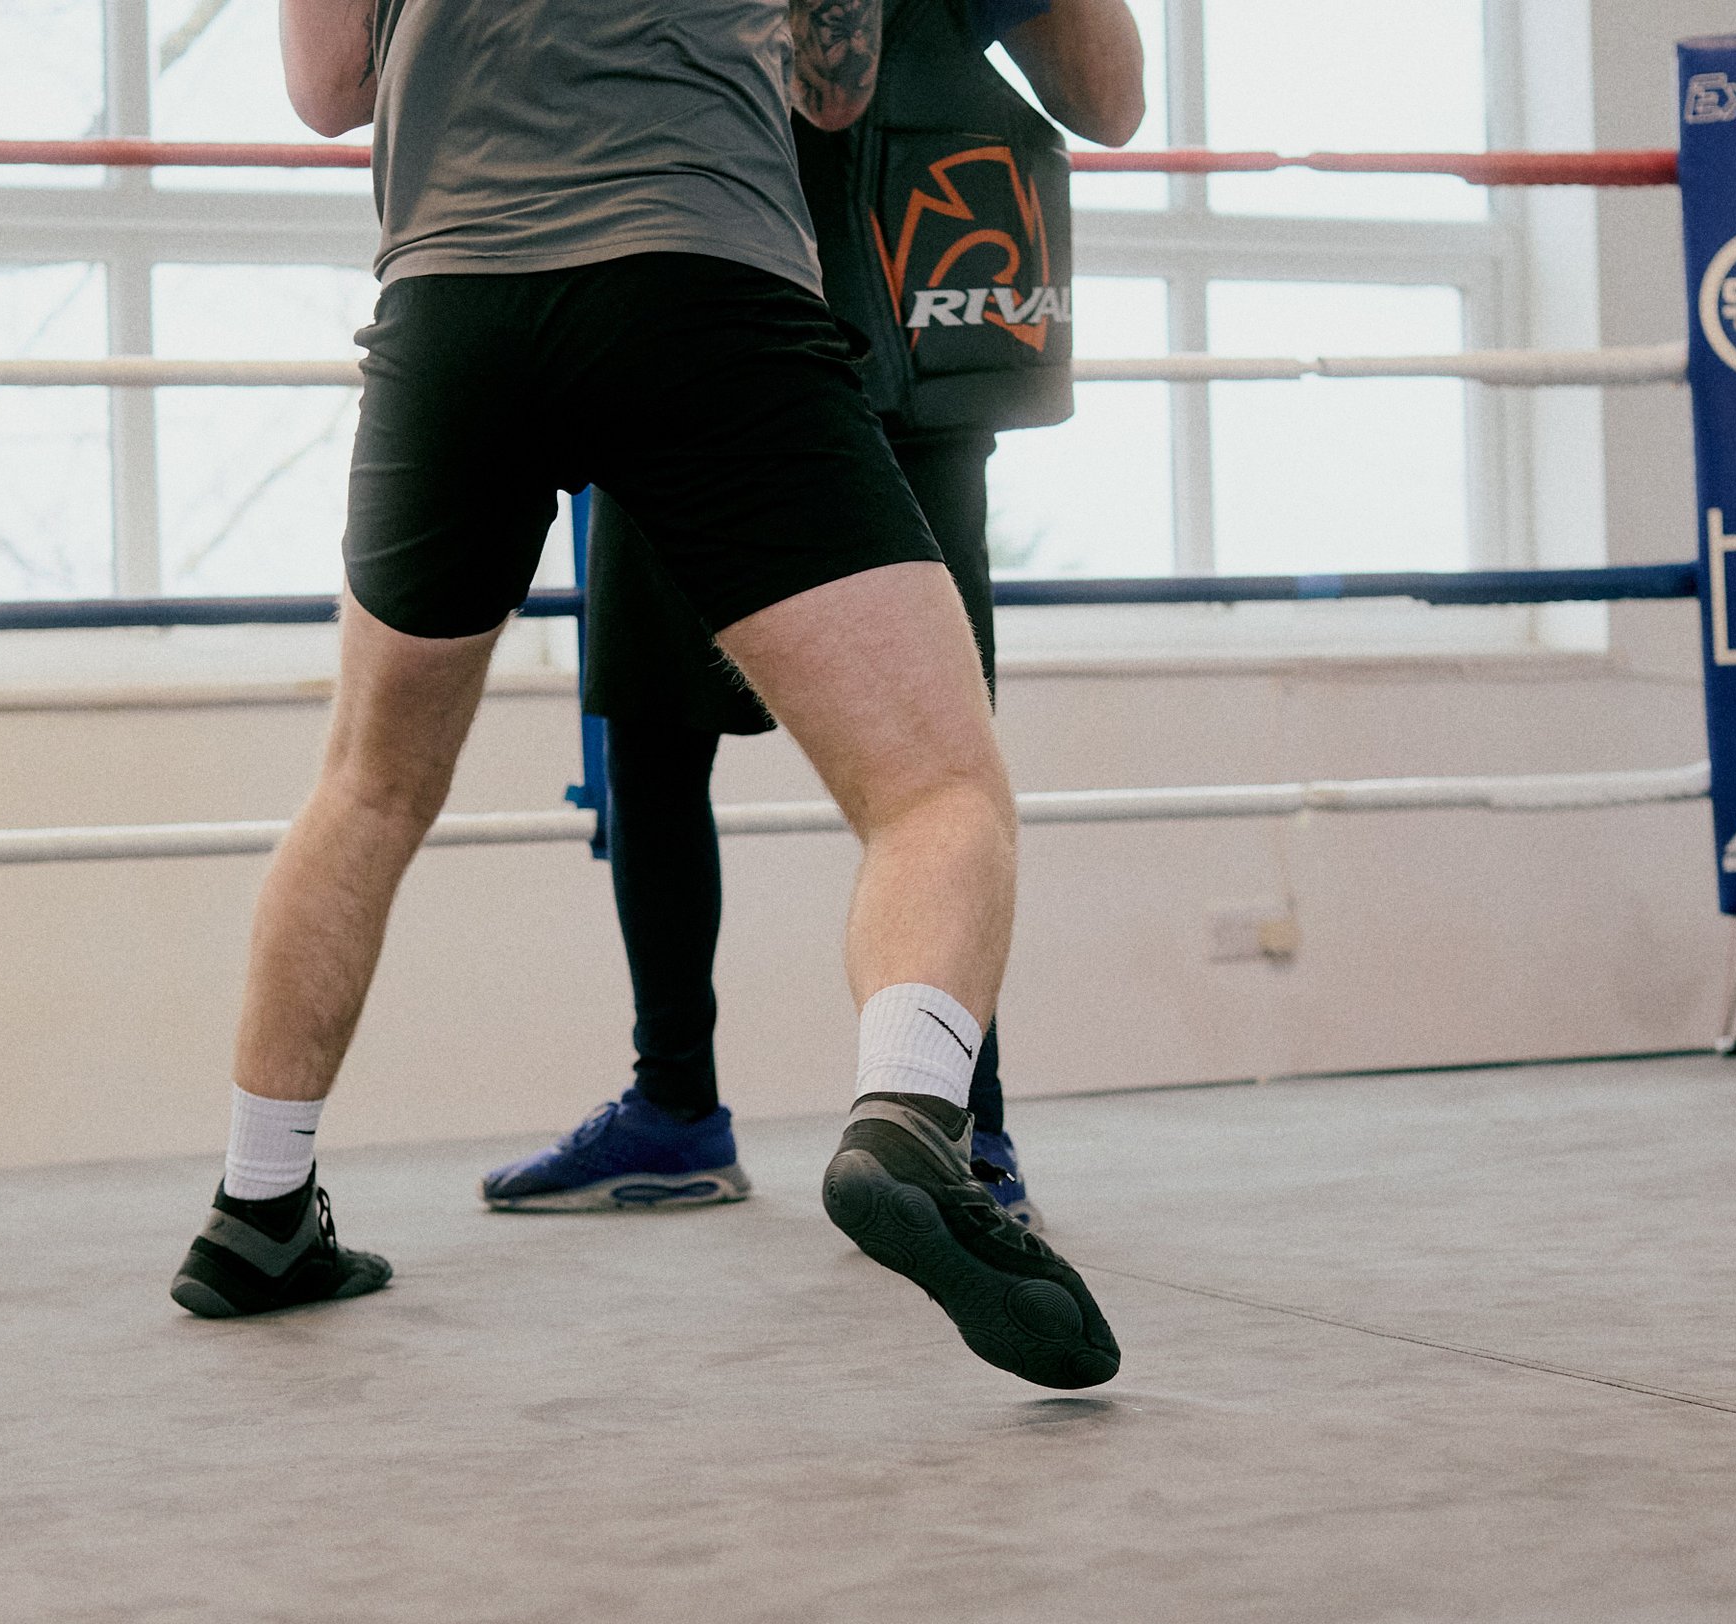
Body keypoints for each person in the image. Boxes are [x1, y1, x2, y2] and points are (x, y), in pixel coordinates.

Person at [168, 0, 1121, 1392]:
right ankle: (909, 1115)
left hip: (451, 306)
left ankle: (258, 1210)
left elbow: (326, 89)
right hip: (698, 284)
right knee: (934, 788)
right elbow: (837, 91)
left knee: (368, 784)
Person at [480, 0, 1146, 1231]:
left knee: (941, 775)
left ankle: (954, 1122)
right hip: (682, 321)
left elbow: (1108, 106)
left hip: (896, 351)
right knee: (649, 742)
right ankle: (676, 1107)